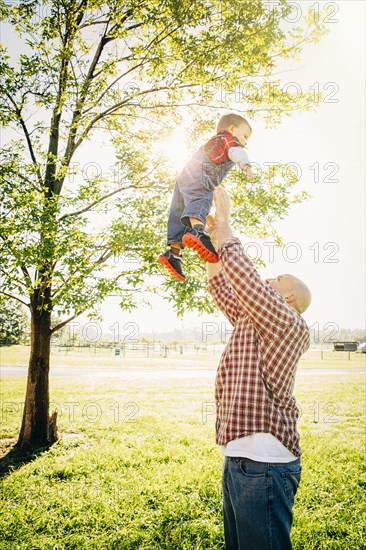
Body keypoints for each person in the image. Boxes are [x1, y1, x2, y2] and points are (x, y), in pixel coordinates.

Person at [206, 187, 311, 550]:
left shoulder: (287, 323)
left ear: (289, 299)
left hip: (266, 462)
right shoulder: (252, 320)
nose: (270, 279)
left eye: (278, 279)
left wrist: (227, 226)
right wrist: (211, 242)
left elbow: (248, 282)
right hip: (239, 457)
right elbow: (224, 288)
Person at [158, 113, 253, 282]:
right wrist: (246, 166)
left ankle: (174, 253)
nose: (245, 142)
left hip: (184, 177)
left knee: (178, 212)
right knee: (203, 196)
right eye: (245, 136)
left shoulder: (215, 141)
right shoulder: (229, 139)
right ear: (232, 129)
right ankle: (199, 232)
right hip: (200, 175)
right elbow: (236, 151)